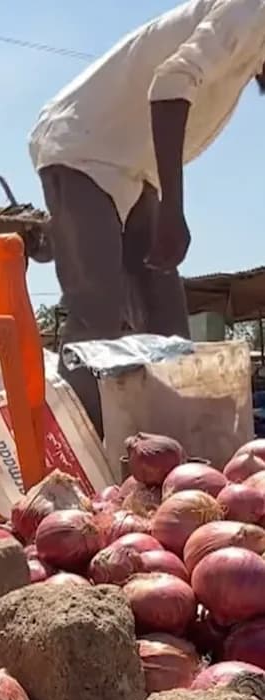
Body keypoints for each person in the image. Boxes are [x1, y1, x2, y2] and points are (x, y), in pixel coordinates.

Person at [28, 0, 265, 432]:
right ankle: (75, 453)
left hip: (137, 170)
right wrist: (173, 210)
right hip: (81, 145)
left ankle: (166, 456)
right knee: (97, 313)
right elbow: (170, 85)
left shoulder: (252, 41)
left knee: (166, 326)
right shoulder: (254, 8)